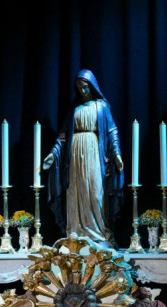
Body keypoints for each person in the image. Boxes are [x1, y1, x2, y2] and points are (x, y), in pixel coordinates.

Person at [43, 68, 124, 247]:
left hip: (94, 151)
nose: (83, 90)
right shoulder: (75, 109)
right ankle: (76, 231)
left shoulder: (101, 107)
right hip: (75, 154)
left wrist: (116, 153)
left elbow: (112, 131)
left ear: (92, 86)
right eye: (79, 87)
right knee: (75, 192)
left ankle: (99, 232)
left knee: (95, 192)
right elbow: (63, 135)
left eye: (85, 86)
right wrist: (54, 153)